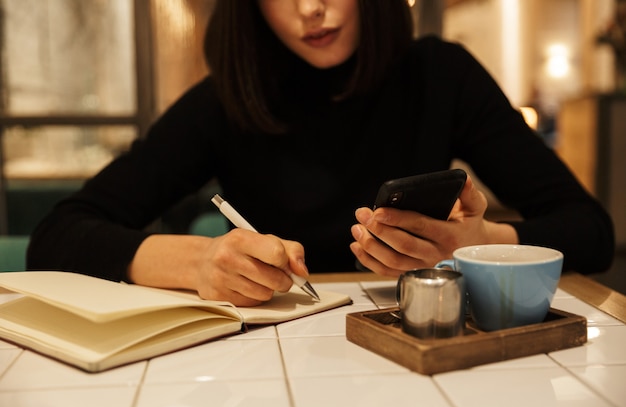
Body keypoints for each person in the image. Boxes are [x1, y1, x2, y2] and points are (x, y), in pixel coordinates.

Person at [26, 0, 614, 306]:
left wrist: (476, 244)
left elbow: (591, 229)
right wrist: (201, 263)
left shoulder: (440, 75)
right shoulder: (229, 99)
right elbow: (56, 237)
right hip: (275, 353)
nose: (311, 9)